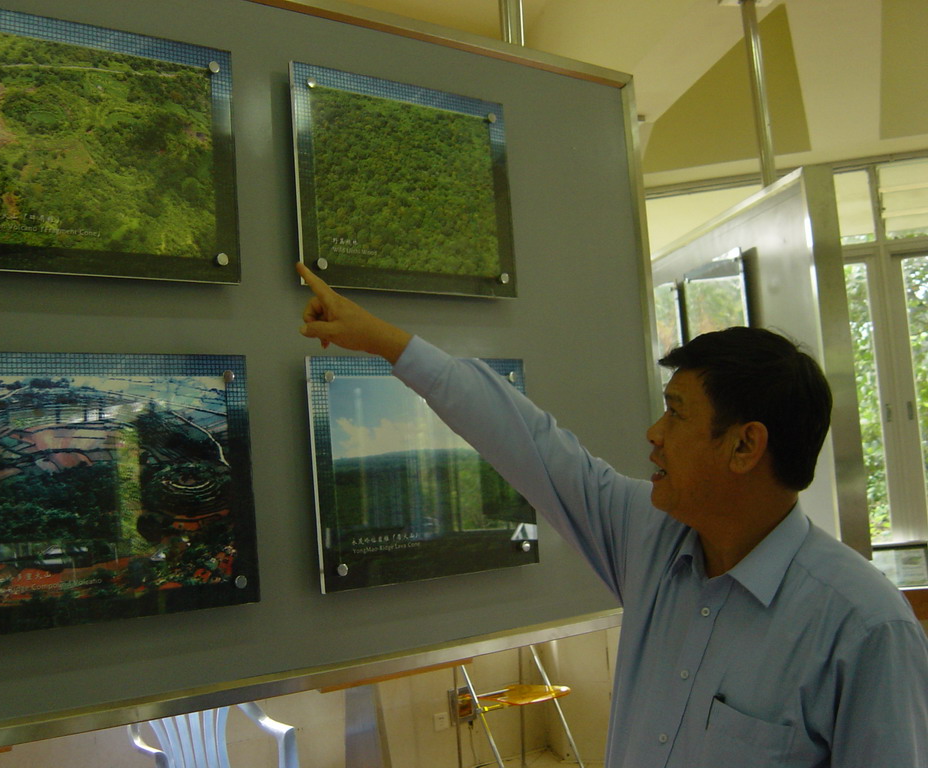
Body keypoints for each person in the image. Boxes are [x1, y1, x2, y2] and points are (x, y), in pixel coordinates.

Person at [295, 262, 928, 767]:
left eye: (676, 414)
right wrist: (383, 341)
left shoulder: (863, 628)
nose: (653, 433)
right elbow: (528, 441)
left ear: (745, 446)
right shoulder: (650, 539)